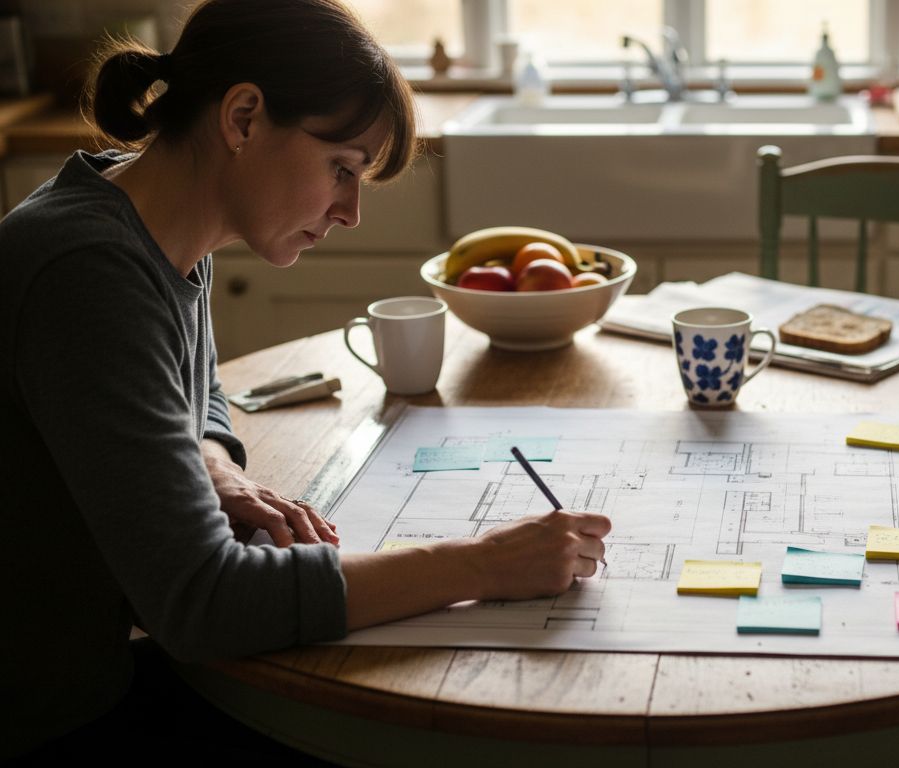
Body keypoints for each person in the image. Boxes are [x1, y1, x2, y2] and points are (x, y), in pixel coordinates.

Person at [0, 0, 611, 760]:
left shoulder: (153, 228)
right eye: (341, 168)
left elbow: (198, 394)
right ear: (245, 117)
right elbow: (206, 603)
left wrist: (212, 464)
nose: (350, 211)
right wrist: (483, 563)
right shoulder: (87, 272)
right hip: (51, 714)